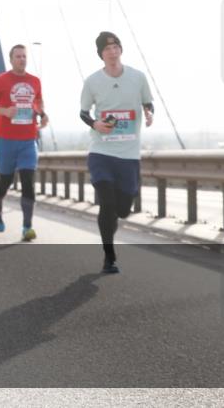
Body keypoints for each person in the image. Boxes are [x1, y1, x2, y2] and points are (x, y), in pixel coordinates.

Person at [80, 31, 154, 274]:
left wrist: (149, 112)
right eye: (107, 48)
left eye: (115, 47)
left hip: (129, 154)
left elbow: (147, 101)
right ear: (101, 54)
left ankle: (112, 233)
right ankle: (109, 256)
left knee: (122, 209)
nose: (112, 51)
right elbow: (83, 112)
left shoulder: (138, 77)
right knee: (107, 203)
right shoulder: (92, 81)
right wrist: (94, 124)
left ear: (120, 50)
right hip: (101, 151)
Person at [0, 44, 47, 242]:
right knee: (6, 181)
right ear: (11, 60)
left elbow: (38, 102)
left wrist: (42, 114)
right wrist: (4, 111)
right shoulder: (0, 80)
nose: (22, 59)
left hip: (28, 139)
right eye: (18, 56)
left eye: (24, 56)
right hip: (7, 140)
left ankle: (27, 226)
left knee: (28, 182)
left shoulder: (35, 81)